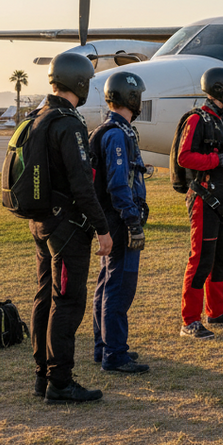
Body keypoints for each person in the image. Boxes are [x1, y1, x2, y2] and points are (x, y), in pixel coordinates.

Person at [29, 52, 114, 404]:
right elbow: (82, 184)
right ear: (80, 82)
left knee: (45, 297)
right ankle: (60, 382)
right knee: (67, 303)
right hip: (66, 228)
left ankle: (42, 377)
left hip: (41, 222)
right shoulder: (68, 123)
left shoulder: (38, 117)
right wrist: (102, 228)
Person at [174, 66, 223, 339]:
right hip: (205, 199)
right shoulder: (198, 119)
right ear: (220, 90)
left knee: (222, 258)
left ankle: (216, 312)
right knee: (201, 260)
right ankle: (189, 321)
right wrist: (218, 160)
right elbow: (185, 157)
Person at [89, 70, 150, 374]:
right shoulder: (116, 134)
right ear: (132, 98)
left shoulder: (109, 130)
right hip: (119, 220)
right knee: (120, 286)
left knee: (106, 282)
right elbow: (117, 184)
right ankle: (114, 353)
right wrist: (132, 221)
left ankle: (104, 346)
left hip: (110, 219)